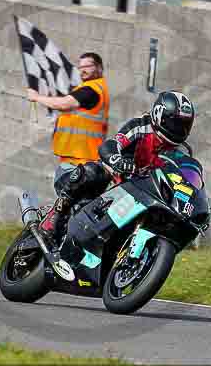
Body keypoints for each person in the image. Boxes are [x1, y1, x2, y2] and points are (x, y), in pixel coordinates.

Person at [37, 90, 196, 251]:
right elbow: (112, 145)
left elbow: (184, 177)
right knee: (96, 171)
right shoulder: (141, 126)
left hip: (147, 194)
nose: (180, 130)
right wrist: (117, 160)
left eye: (185, 125)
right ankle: (55, 215)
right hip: (116, 182)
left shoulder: (182, 151)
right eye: (176, 123)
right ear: (159, 114)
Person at [26, 53, 110, 196]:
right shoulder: (91, 88)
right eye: (80, 66)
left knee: (69, 211)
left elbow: (64, 104)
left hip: (81, 164)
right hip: (81, 161)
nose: (82, 70)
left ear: (99, 68)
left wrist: (36, 97)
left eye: (87, 66)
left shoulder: (92, 90)